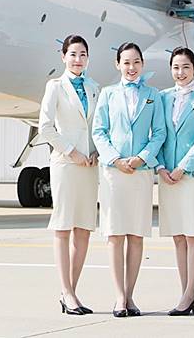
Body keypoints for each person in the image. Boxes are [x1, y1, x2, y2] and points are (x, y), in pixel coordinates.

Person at [92, 42, 167, 318]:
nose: (131, 68)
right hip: (114, 172)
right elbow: (99, 131)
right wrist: (115, 159)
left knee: (136, 235)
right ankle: (118, 297)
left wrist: (142, 158)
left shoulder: (153, 95)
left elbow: (159, 132)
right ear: (117, 65)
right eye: (126, 62)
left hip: (140, 172)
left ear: (142, 64)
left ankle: (131, 295)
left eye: (136, 62)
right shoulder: (108, 94)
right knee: (115, 234)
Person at [37, 34, 100, 315]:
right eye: (73, 54)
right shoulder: (55, 87)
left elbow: (98, 126)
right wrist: (72, 152)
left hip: (89, 165)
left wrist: (96, 151)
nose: (78, 59)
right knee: (63, 227)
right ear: (63, 56)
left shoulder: (95, 88)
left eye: (83, 54)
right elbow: (45, 128)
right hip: (65, 163)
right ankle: (67, 291)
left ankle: (70, 291)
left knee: (84, 228)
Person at [155, 47, 194, 316]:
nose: (180, 73)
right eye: (176, 68)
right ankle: (185, 294)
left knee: (192, 234)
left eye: (185, 68)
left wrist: (182, 167)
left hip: (191, 174)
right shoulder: (162, 97)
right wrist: (160, 166)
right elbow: (156, 134)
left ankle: (190, 293)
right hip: (167, 174)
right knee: (177, 236)